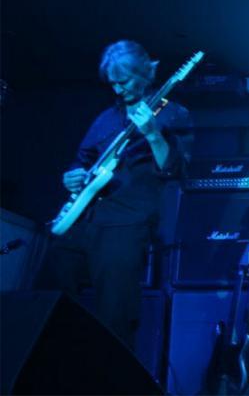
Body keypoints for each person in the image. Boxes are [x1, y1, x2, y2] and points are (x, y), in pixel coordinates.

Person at [38, 40, 192, 346]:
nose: (118, 90)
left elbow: (175, 170)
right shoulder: (105, 118)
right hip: (83, 220)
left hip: (126, 223)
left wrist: (152, 134)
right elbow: (82, 160)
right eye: (113, 84)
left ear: (145, 73)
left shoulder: (173, 114)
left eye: (124, 81)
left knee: (115, 312)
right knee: (49, 297)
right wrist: (72, 177)